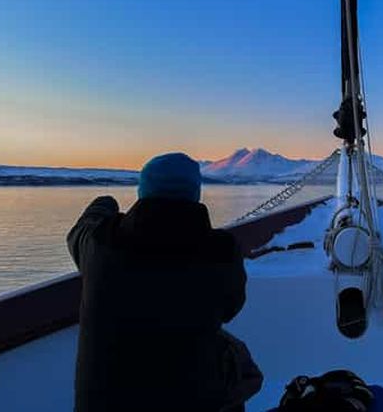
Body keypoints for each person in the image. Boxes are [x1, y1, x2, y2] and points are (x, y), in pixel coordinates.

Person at [67, 152, 261, 412]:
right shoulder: (220, 250)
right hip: (190, 398)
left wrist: (105, 204)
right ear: (195, 193)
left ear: (143, 191)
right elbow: (231, 308)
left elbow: (78, 234)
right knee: (240, 363)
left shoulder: (102, 242)